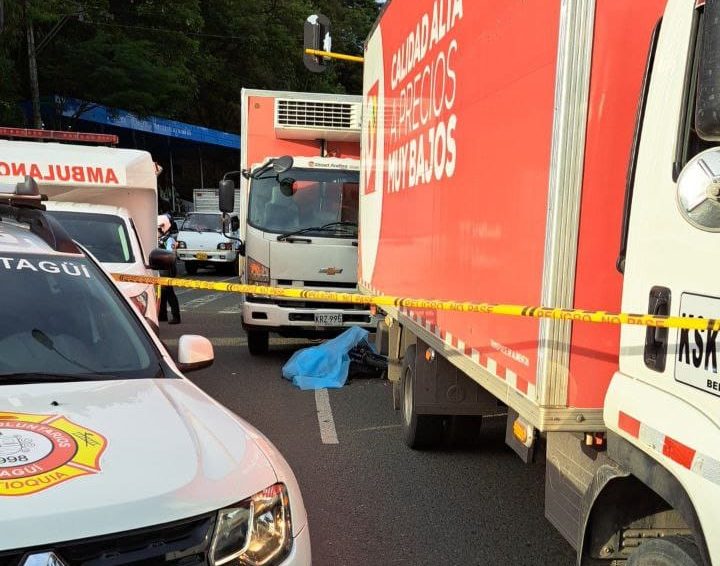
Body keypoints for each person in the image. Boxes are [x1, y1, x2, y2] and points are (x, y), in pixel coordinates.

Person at [157, 214, 181, 324]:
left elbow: (170, 254)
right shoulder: (160, 239)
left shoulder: (169, 240)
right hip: (161, 269)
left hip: (167, 269)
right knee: (161, 292)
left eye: (159, 228)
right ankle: (162, 315)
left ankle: (176, 317)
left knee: (169, 292)